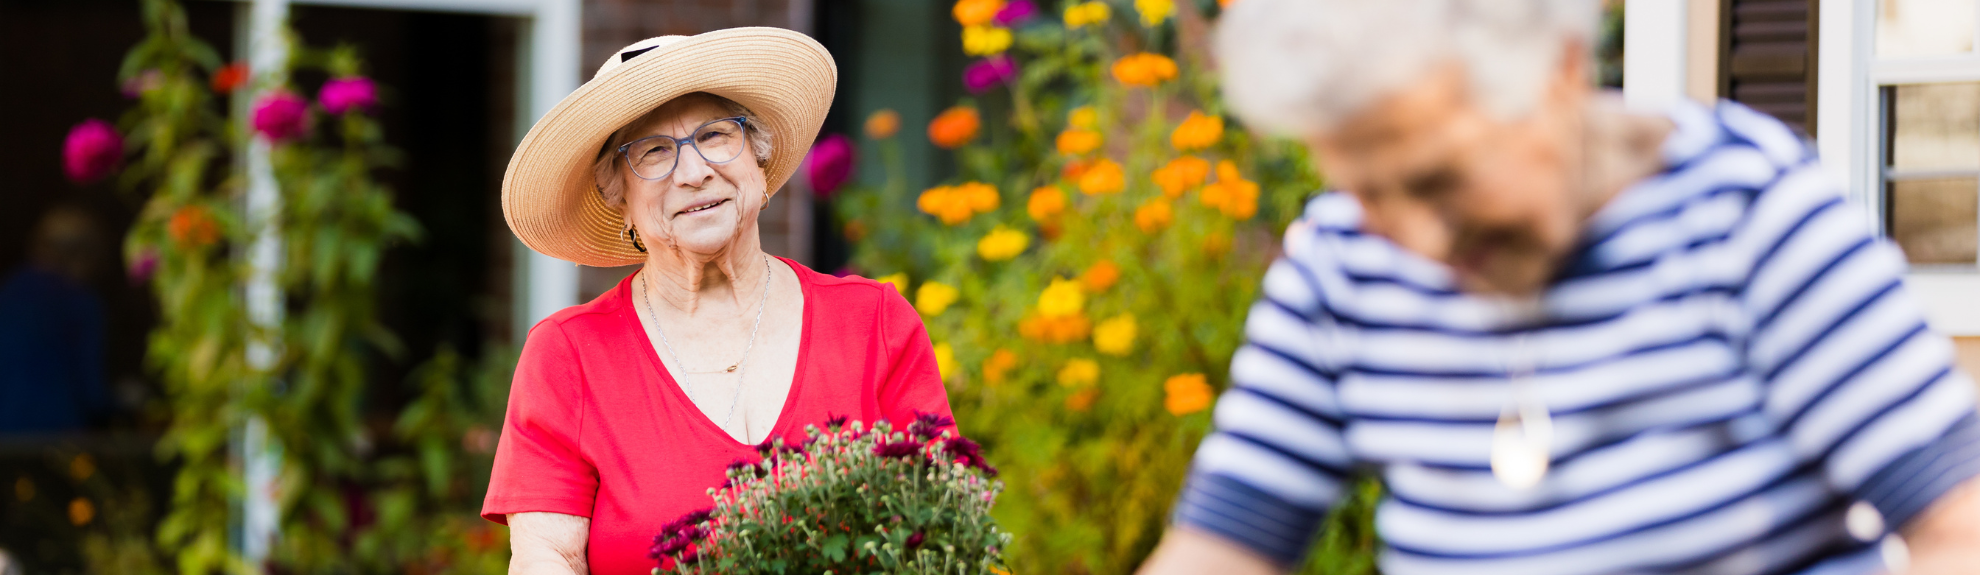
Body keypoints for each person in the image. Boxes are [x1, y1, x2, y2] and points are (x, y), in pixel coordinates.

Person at [1139, 1, 1980, 574]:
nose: (1422, 240)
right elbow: (1220, 551)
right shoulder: (1340, 264)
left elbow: (1958, 529)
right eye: (1368, 188)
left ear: (1560, 71)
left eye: (1441, 178)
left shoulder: (1746, 216)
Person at [481, 29, 955, 575]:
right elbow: (548, 558)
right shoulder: (570, 355)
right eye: (654, 151)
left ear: (759, 158)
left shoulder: (873, 323)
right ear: (620, 198)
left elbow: (936, 532)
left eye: (714, 135)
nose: (693, 171)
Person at [0, 205, 109, 434]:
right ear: (83, 256)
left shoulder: (9, 291)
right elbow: (92, 393)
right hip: (58, 434)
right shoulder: (78, 301)